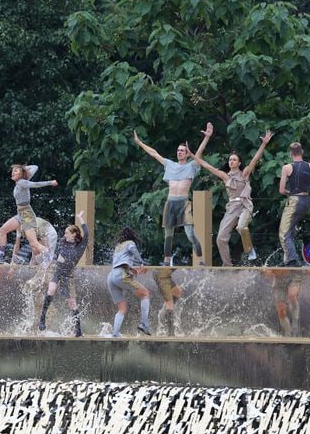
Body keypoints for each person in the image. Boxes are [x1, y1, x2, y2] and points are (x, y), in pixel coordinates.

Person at [186, 129, 274, 266]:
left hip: (245, 205)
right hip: (232, 207)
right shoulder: (225, 176)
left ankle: (250, 250)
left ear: (239, 163)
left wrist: (263, 144)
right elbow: (206, 166)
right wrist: (192, 155)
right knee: (220, 238)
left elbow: (255, 159)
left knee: (241, 228)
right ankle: (227, 265)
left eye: (234, 160)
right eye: (230, 159)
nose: (231, 161)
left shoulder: (244, 174)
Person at [133, 124, 213, 265]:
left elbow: (199, 153)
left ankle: (201, 260)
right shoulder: (169, 164)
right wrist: (140, 143)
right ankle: (166, 260)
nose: (180, 152)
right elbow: (154, 153)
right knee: (168, 235)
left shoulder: (192, 166)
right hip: (171, 202)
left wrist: (206, 137)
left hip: (183, 202)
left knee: (190, 234)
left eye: (183, 151)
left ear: (188, 153)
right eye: (178, 150)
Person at [38, 211, 88, 336]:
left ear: (74, 234)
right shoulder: (62, 242)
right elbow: (55, 256)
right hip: (58, 272)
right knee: (50, 291)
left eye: (67, 232)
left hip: (68, 275)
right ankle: (42, 319)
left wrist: (80, 218)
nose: (64, 234)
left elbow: (87, 233)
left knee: (72, 303)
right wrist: (47, 266)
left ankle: (78, 329)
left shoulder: (80, 246)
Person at [0, 165, 58, 263]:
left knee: (34, 244)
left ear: (21, 174)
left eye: (16, 171)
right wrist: (22, 168)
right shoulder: (21, 182)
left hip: (27, 215)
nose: (13, 172)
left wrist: (50, 182)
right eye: (12, 171)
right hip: (20, 214)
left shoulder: (22, 182)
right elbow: (35, 167)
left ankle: (54, 258)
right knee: (3, 230)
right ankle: (0, 257)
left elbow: (36, 184)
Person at [278, 142, 310, 267]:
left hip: (294, 200)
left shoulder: (287, 168)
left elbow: (281, 190)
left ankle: (292, 260)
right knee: (290, 230)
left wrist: (290, 193)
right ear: (302, 152)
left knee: (284, 232)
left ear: (291, 153)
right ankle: (287, 260)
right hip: (306, 201)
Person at [107, 226, 151, 338]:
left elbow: (119, 263)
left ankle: (115, 334)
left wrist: (130, 270)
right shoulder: (130, 243)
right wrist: (141, 262)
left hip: (111, 276)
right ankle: (144, 324)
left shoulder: (118, 246)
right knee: (145, 294)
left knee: (122, 308)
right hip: (120, 275)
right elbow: (133, 250)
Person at [153, 267, 182, 336]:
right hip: (161, 273)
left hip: (163, 274)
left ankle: (164, 316)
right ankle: (170, 332)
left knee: (177, 292)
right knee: (169, 301)